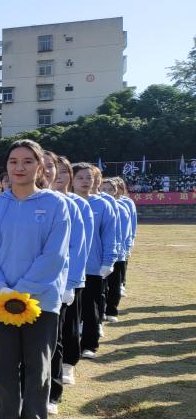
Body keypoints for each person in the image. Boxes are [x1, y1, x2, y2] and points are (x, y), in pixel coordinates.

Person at [0, 140, 69, 419]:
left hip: (41, 300)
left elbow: (54, 255)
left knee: (37, 365)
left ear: (39, 166)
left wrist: (22, 290)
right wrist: (1, 289)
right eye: (14, 161)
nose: (20, 167)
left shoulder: (55, 205)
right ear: (6, 166)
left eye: (28, 161)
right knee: (4, 364)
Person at [42, 151, 88, 414]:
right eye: (47, 167)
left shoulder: (72, 205)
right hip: (29, 286)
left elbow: (77, 249)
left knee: (55, 339)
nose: (52, 174)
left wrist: (70, 283)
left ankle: (52, 392)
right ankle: (29, 390)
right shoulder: (23, 201)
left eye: (58, 169)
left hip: (59, 284)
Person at [71, 163, 117, 362]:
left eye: (89, 177)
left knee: (91, 308)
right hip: (68, 267)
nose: (85, 181)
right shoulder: (64, 202)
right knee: (70, 312)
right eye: (80, 177)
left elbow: (110, 235)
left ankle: (89, 344)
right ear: (72, 180)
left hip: (92, 267)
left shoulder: (103, 204)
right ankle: (68, 349)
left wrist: (108, 261)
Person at [53, 155, 92, 389]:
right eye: (53, 170)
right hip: (47, 280)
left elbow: (80, 247)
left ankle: (68, 365)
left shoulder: (79, 205)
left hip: (70, 279)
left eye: (63, 172)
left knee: (68, 326)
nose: (58, 176)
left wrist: (72, 281)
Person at [102, 177, 132, 322]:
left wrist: (123, 249)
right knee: (100, 286)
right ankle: (100, 311)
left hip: (117, 254)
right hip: (99, 254)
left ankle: (111, 311)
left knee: (114, 285)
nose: (106, 192)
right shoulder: (97, 206)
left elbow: (125, 233)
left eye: (110, 189)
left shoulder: (122, 209)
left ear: (116, 192)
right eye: (103, 189)